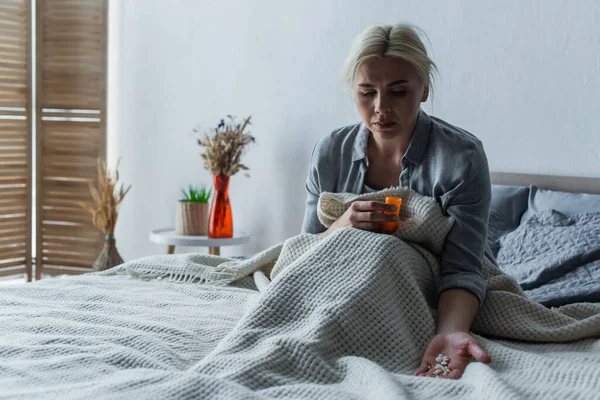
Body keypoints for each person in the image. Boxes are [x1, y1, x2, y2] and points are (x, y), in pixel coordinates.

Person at [301, 23, 493, 379]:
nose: (381, 108)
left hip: (426, 289)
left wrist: (449, 332)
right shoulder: (329, 154)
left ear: (424, 90)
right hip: (341, 291)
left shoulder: (461, 158)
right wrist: (342, 227)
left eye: (398, 91)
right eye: (366, 93)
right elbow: (304, 256)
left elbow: (463, 269)